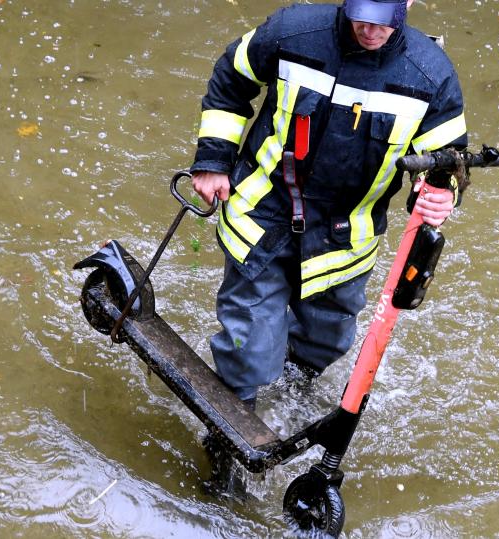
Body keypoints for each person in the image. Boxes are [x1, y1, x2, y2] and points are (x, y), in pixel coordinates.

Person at [189, 0, 468, 493]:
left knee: (326, 343)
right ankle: (226, 448)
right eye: (362, 15)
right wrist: (213, 160)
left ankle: (292, 387)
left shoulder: (431, 75)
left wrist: (441, 194)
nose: (370, 29)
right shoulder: (292, 33)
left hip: (344, 241)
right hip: (264, 218)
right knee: (249, 349)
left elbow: (449, 162)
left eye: (384, 19)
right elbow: (232, 78)